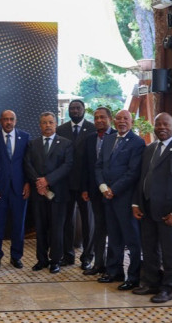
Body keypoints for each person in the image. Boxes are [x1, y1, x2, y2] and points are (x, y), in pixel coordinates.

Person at [132, 113, 172, 303]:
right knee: (149, 249)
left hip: (169, 213)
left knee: (170, 252)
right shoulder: (149, 149)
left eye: (166, 124)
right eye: (158, 124)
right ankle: (151, 283)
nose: (161, 127)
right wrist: (136, 203)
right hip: (147, 209)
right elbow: (142, 179)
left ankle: (167, 289)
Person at [95, 109, 144, 290]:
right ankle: (114, 272)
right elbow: (98, 166)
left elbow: (133, 172)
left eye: (126, 119)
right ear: (114, 121)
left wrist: (113, 190)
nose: (122, 121)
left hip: (126, 198)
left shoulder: (137, 142)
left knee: (132, 239)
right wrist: (103, 187)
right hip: (107, 197)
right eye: (119, 118)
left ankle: (133, 277)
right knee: (114, 236)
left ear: (131, 122)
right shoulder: (108, 139)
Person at [24, 112, 73, 274]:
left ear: (56, 124)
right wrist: (39, 182)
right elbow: (28, 164)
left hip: (58, 194)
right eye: (44, 123)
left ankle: (55, 260)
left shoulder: (65, 143)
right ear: (40, 125)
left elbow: (67, 166)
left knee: (57, 229)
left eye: (51, 122)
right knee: (40, 227)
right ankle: (41, 260)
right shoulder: (33, 144)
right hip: (39, 194)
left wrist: (47, 181)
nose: (47, 125)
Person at [56, 99, 96, 269]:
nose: (75, 110)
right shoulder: (61, 129)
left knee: (88, 222)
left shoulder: (93, 129)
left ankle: (87, 257)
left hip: (85, 183)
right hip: (65, 183)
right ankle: (68, 255)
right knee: (67, 222)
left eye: (78, 108)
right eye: (72, 108)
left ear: (84, 110)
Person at [0, 110, 30, 269]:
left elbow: (28, 163)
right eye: (5, 119)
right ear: (0, 121)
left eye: (11, 119)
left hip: (19, 188)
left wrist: (28, 183)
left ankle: (16, 256)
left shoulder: (25, 137)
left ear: (16, 120)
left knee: (18, 225)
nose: (8, 122)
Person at [81, 107, 115, 276]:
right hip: (94, 192)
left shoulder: (118, 136)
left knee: (114, 230)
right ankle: (98, 263)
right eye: (96, 118)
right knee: (99, 228)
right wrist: (85, 188)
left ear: (110, 118)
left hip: (114, 192)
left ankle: (113, 266)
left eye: (102, 117)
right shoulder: (89, 139)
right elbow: (86, 166)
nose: (99, 120)